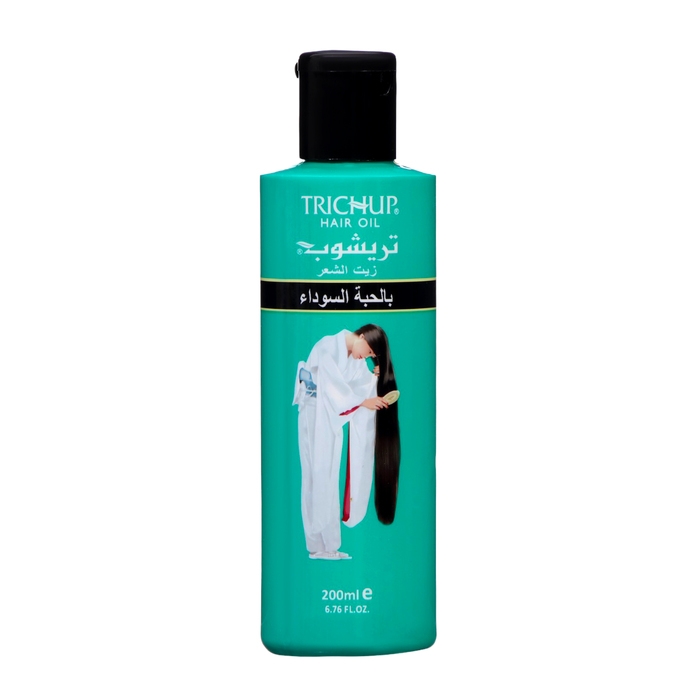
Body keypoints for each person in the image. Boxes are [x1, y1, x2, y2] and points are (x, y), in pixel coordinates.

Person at [293, 324, 400, 560]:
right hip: (313, 412)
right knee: (315, 474)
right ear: (362, 336)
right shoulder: (328, 346)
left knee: (330, 475)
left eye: (371, 356)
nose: (367, 357)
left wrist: (374, 379)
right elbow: (334, 388)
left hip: (328, 417)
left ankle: (329, 545)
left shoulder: (353, 358)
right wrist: (362, 402)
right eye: (369, 351)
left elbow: (359, 385)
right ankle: (315, 545)